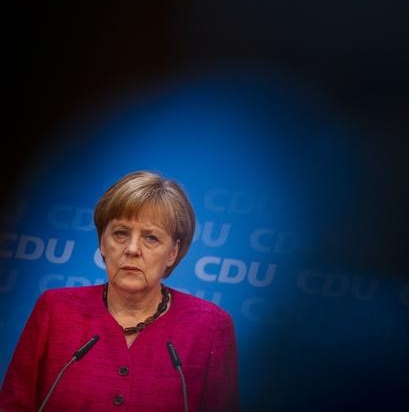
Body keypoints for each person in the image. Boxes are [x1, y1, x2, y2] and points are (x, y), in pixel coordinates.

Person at [0, 170, 240, 411]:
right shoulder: (56, 310)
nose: (132, 249)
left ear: (173, 252)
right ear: (103, 242)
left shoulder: (209, 326)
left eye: (151, 238)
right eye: (120, 233)